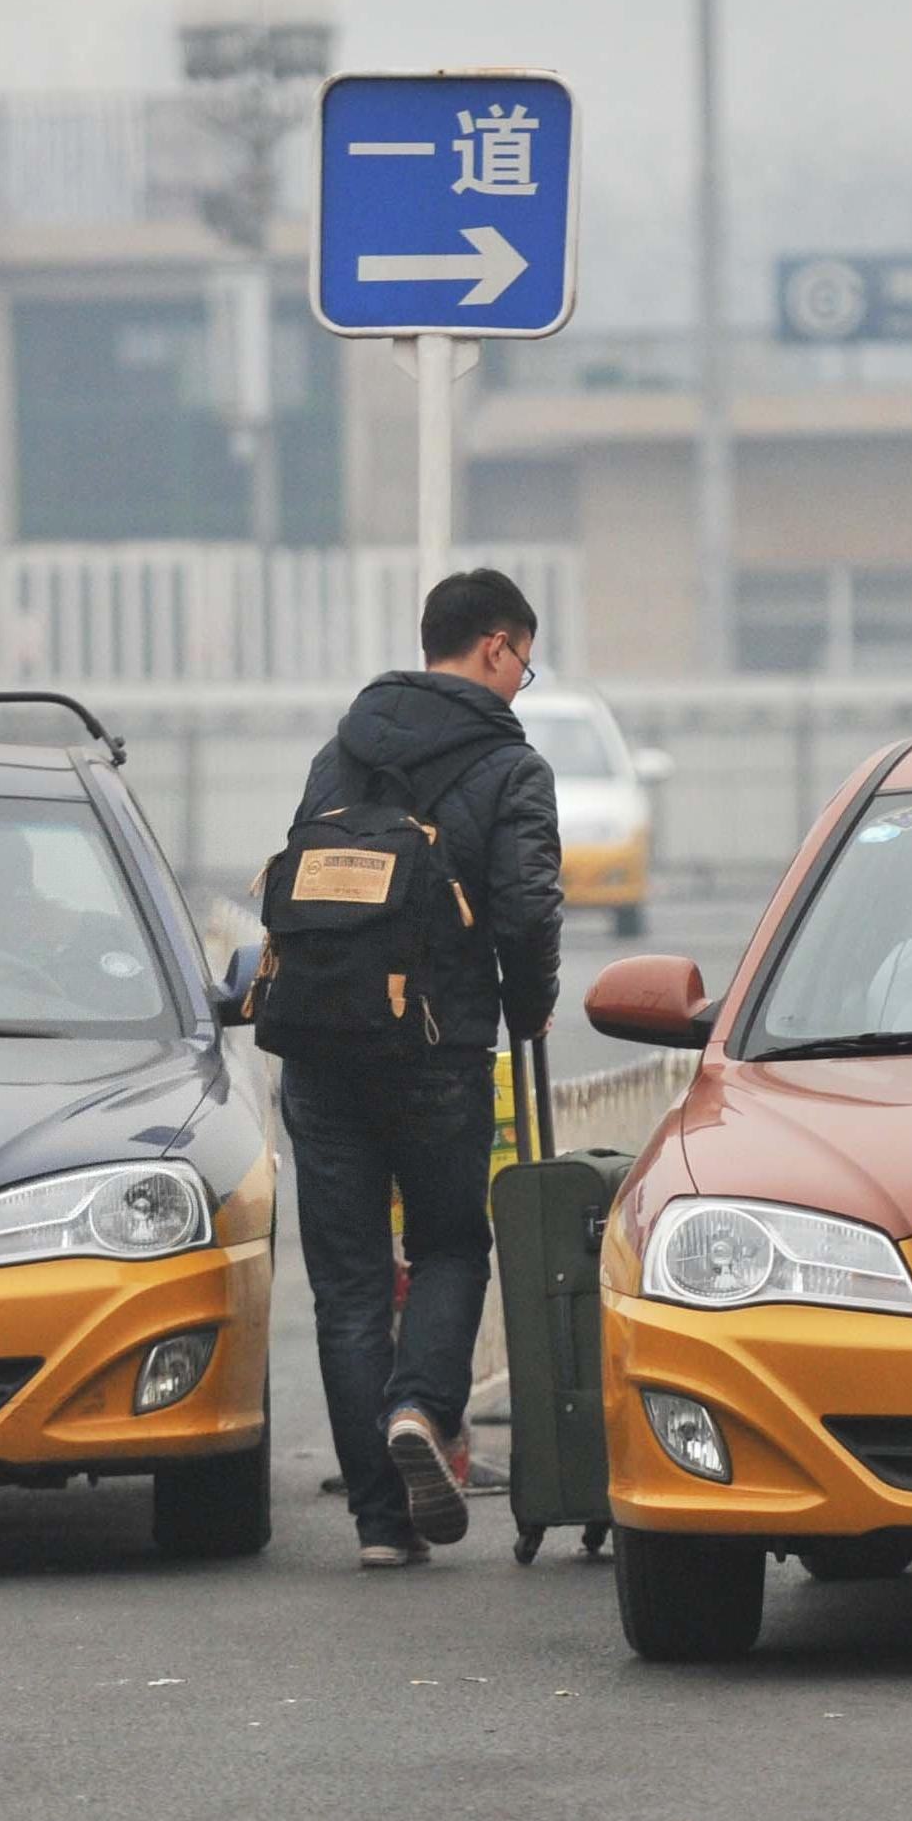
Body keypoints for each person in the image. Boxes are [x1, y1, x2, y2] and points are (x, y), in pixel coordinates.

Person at [276, 569, 563, 1569]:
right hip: (436, 1046)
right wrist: (526, 1007)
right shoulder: (510, 771)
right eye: (525, 660)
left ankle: (379, 1525)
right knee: (448, 1245)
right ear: (492, 646)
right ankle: (419, 1408)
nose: (524, 682)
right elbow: (526, 911)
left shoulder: (338, 749)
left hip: (316, 1043)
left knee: (349, 1283)